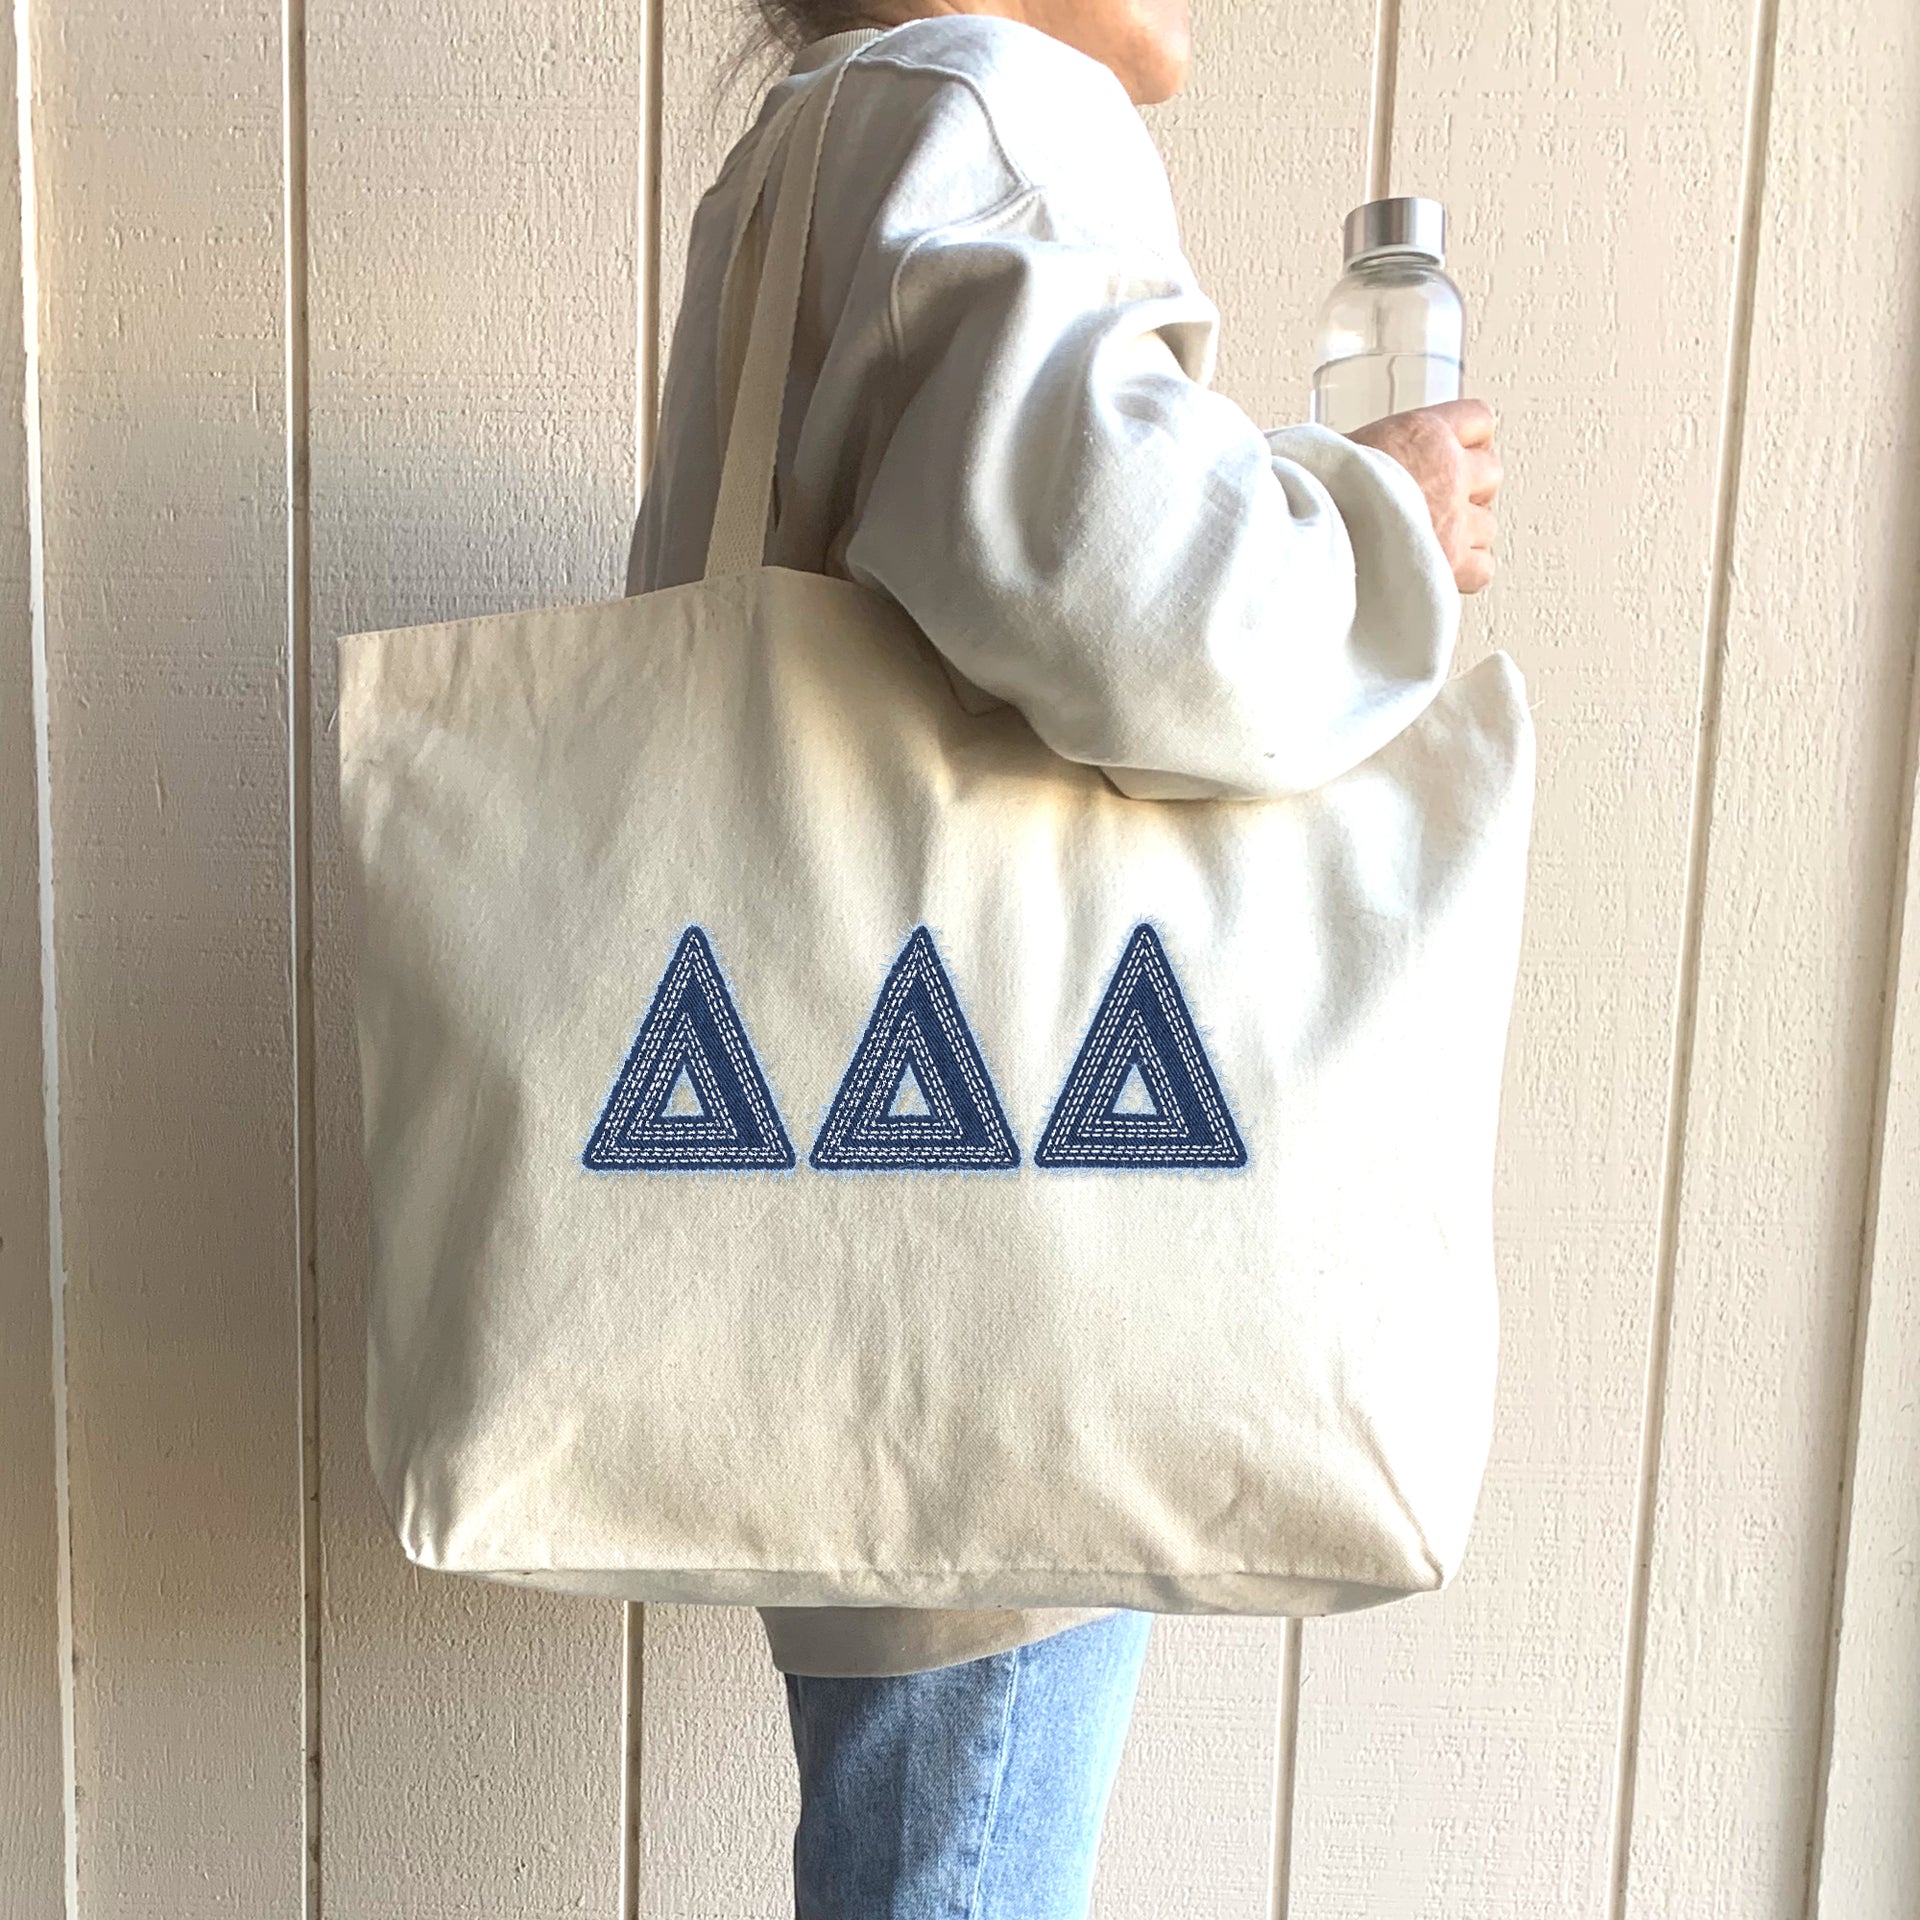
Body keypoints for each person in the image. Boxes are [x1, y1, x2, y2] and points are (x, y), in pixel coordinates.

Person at [626, 4, 1502, 1913]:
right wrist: (1386, 526)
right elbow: (1141, 613)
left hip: (847, 1198)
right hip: (1009, 1227)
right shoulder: (998, 108)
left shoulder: (812, 143)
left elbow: (996, 542)